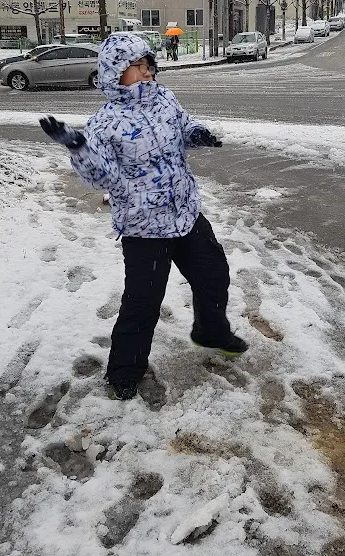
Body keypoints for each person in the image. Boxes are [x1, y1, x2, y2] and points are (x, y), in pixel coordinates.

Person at [39, 33, 247, 401]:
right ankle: (124, 369)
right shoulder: (104, 124)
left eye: (147, 64)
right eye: (136, 67)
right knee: (142, 302)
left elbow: (182, 125)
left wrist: (197, 134)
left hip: (184, 211)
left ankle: (211, 332)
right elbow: (102, 178)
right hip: (144, 226)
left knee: (214, 275)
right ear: (115, 73)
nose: (146, 72)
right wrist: (78, 146)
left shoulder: (164, 98)